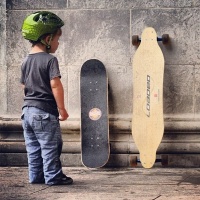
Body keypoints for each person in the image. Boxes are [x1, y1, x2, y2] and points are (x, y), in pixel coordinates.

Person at [20, 11, 73, 185]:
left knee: (33, 148)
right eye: (57, 39)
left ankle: (36, 177)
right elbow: (55, 85)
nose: (58, 43)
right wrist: (62, 109)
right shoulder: (50, 60)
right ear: (48, 39)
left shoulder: (25, 61)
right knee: (50, 146)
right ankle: (53, 177)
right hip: (44, 113)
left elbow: (24, 87)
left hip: (26, 112)